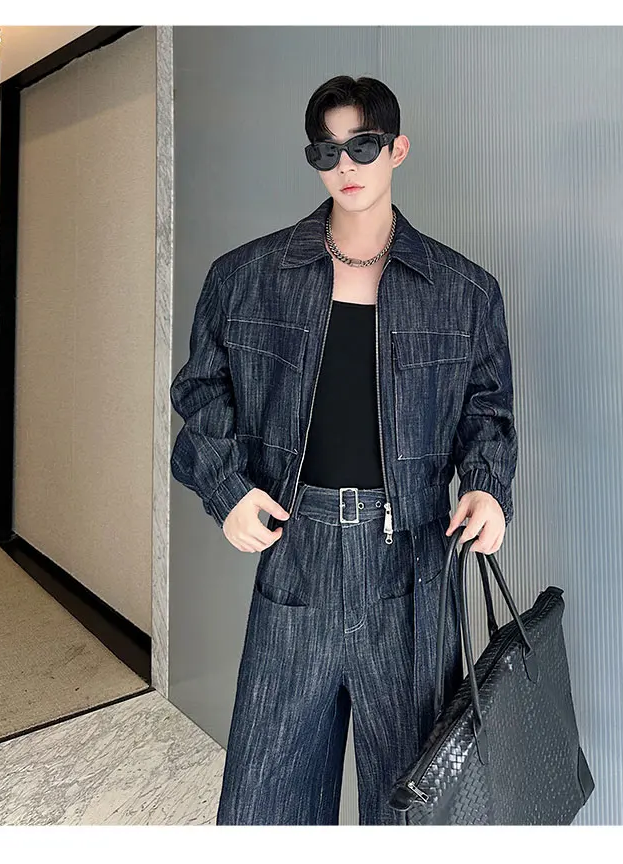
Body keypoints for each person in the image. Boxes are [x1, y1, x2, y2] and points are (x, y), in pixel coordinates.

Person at [169, 75, 518, 825]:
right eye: (325, 152)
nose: (345, 166)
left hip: (413, 561)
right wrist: (227, 491)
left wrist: (487, 487)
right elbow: (200, 394)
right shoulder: (247, 277)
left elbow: (487, 409)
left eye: (361, 145)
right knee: (271, 795)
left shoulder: (463, 291)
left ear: (398, 149)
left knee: (414, 799)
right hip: (297, 550)